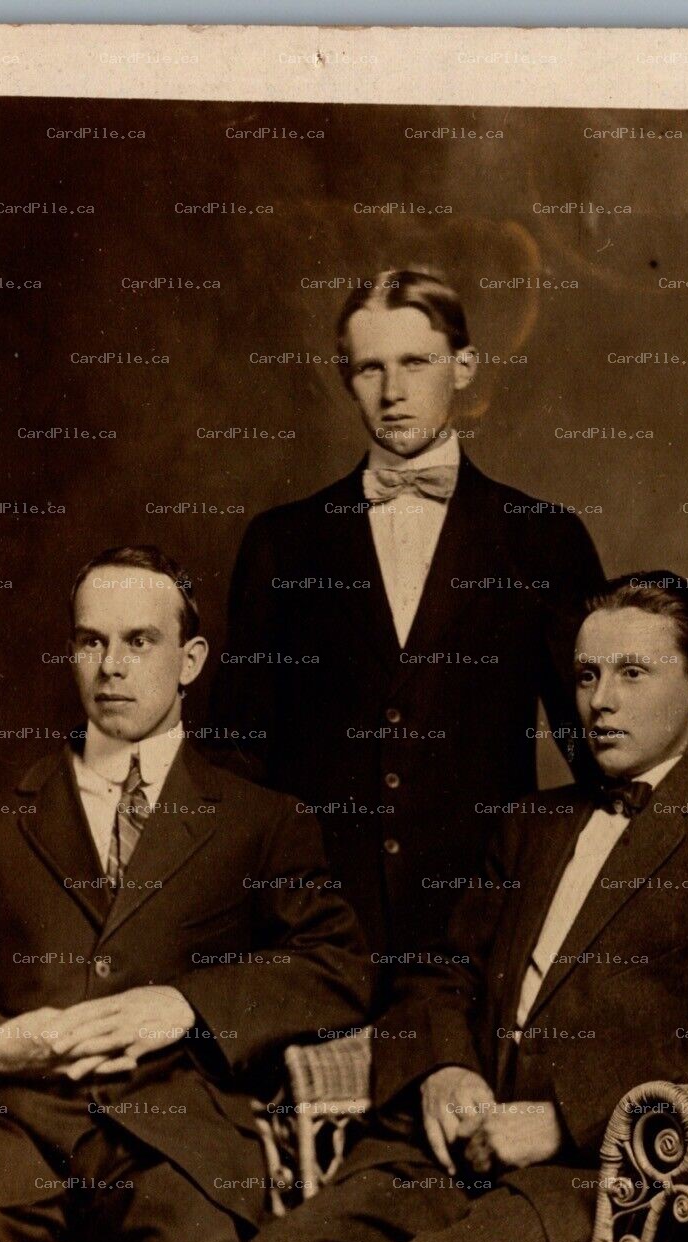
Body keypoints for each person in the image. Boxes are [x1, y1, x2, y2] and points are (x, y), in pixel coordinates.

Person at [229, 571, 688, 1242]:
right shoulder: (531, 823)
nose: (600, 702)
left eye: (631, 673)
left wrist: (564, 1118)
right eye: (585, 677)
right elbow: (436, 974)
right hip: (452, 1155)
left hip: (603, 1180)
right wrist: (443, 1066)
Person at [0, 544, 371, 1242]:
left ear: (190, 661)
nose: (111, 667)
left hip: (178, 1140)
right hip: (16, 1123)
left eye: (140, 641)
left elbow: (334, 967)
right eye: (89, 642)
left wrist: (190, 1006)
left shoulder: (261, 819)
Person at [208, 265, 604, 964]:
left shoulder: (545, 538)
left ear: (463, 366)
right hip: (314, 935)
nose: (393, 393)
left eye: (416, 363)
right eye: (370, 369)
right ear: (345, 378)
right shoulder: (282, 542)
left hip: (485, 929)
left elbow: (594, 747)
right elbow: (239, 758)